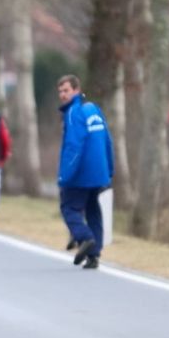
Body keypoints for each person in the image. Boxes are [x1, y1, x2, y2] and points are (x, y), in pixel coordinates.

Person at [57, 74, 113, 269]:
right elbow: (107, 141)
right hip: (99, 173)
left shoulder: (74, 113)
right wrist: (110, 169)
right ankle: (94, 256)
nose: (62, 95)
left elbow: (74, 147)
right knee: (92, 210)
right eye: (60, 91)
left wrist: (65, 175)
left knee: (68, 208)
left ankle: (85, 237)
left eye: (66, 90)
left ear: (76, 90)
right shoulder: (94, 110)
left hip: (81, 173)